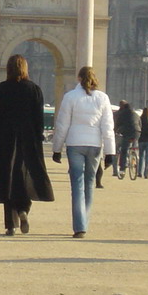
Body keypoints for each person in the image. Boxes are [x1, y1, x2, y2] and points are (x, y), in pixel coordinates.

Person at [0, 55, 55, 235]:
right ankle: (23, 209)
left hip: (4, 139)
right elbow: (39, 118)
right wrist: (38, 137)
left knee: (7, 179)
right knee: (25, 177)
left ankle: (10, 225)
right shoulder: (34, 89)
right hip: (27, 139)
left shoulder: (1, 89)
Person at [50, 66, 116, 238]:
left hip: (75, 143)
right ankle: (84, 221)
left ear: (79, 78)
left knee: (77, 186)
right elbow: (108, 127)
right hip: (95, 144)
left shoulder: (70, 97)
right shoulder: (103, 98)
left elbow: (62, 125)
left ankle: (79, 226)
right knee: (89, 184)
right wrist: (110, 153)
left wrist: (57, 149)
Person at [114, 100, 140, 175]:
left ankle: (122, 169)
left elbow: (118, 124)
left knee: (124, 150)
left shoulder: (122, 114)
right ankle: (134, 156)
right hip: (137, 132)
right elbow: (139, 124)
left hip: (127, 133)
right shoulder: (136, 114)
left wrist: (116, 131)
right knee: (134, 146)